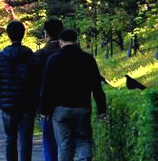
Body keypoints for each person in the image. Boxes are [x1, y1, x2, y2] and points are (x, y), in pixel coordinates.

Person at [38, 28, 107, 161]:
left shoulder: (54, 59)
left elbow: (47, 87)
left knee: (65, 145)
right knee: (83, 140)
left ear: (61, 42)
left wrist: (44, 109)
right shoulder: (87, 59)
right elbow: (96, 87)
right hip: (82, 107)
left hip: (60, 109)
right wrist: (101, 109)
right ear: (76, 41)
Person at [0, 20, 39, 161]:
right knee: (26, 138)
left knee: (10, 138)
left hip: (9, 105)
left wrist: (2, 88)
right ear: (23, 34)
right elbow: (37, 78)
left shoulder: (0, 56)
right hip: (27, 103)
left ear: (8, 35)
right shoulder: (31, 56)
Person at [35, 18, 63, 161]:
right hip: (68, 102)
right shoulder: (68, 53)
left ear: (46, 34)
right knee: (66, 143)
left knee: (49, 141)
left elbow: (34, 81)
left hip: (46, 105)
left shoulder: (40, 55)